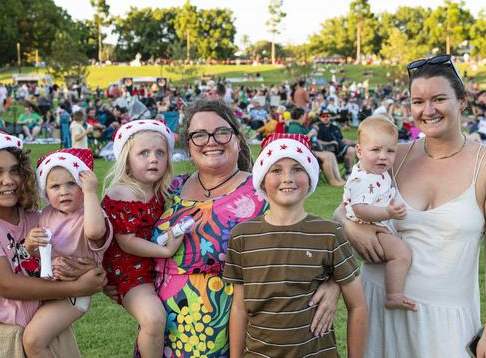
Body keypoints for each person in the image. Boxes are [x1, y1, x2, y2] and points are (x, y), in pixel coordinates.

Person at [335, 55, 486, 357]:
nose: (427, 110)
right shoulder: (396, 157)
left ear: (462, 100)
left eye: (439, 99)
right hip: (381, 307)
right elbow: (346, 206)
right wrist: (351, 226)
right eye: (417, 101)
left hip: (448, 320)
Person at [140, 100, 341, 358]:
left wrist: (334, 283)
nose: (211, 141)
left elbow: (314, 239)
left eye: (221, 132)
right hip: (160, 330)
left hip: (228, 332)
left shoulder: (262, 194)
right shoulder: (168, 190)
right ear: (188, 145)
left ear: (237, 139)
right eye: (199, 135)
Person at [0, 131, 107, 357]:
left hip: (49, 329)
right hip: (3, 337)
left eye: (15, 170)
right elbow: (7, 285)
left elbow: (75, 249)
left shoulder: (34, 216)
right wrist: (78, 288)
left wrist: (86, 268)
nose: (8, 180)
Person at [225, 133, 368, 358]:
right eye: (276, 170)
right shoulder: (242, 236)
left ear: (310, 177)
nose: (287, 178)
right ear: (262, 179)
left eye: (297, 169)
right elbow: (239, 308)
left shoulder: (329, 233)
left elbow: (358, 305)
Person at [102, 120, 183, 358]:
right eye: (144, 153)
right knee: (154, 318)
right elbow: (127, 241)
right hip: (130, 272)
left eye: (160, 152)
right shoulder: (123, 193)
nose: (153, 159)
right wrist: (166, 251)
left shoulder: (161, 191)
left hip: (154, 268)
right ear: (126, 159)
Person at [22, 148, 113, 358]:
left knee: (33, 341)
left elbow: (95, 231)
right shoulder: (47, 214)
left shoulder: (89, 214)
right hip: (52, 288)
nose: (64, 191)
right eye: (55, 186)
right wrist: (29, 245)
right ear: (45, 191)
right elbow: (39, 254)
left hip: (74, 294)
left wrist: (91, 193)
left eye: (72, 183)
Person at [343, 116, 415, 311]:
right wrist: (387, 212)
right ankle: (394, 295)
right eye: (375, 150)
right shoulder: (362, 180)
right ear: (359, 151)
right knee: (401, 253)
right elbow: (360, 209)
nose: (383, 156)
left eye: (390, 151)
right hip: (370, 228)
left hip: (375, 227)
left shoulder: (376, 172)